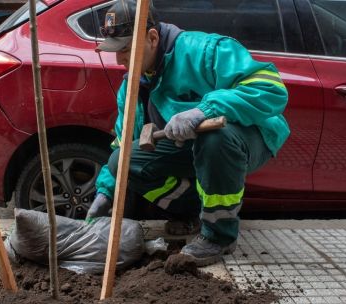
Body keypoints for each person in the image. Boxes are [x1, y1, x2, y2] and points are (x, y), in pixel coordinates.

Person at [85, 0, 289, 266]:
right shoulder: (133, 87)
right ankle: (193, 210)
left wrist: (204, 110)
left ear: (153, 37)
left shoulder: (203, 50)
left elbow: (271, 89)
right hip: (193, 147)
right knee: (121, 162)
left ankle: (219, 235)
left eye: (125, 49)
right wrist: (104, 193)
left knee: (216, 138)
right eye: (115, 51)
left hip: (250, 135)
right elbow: (122, 144)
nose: (120, 59)